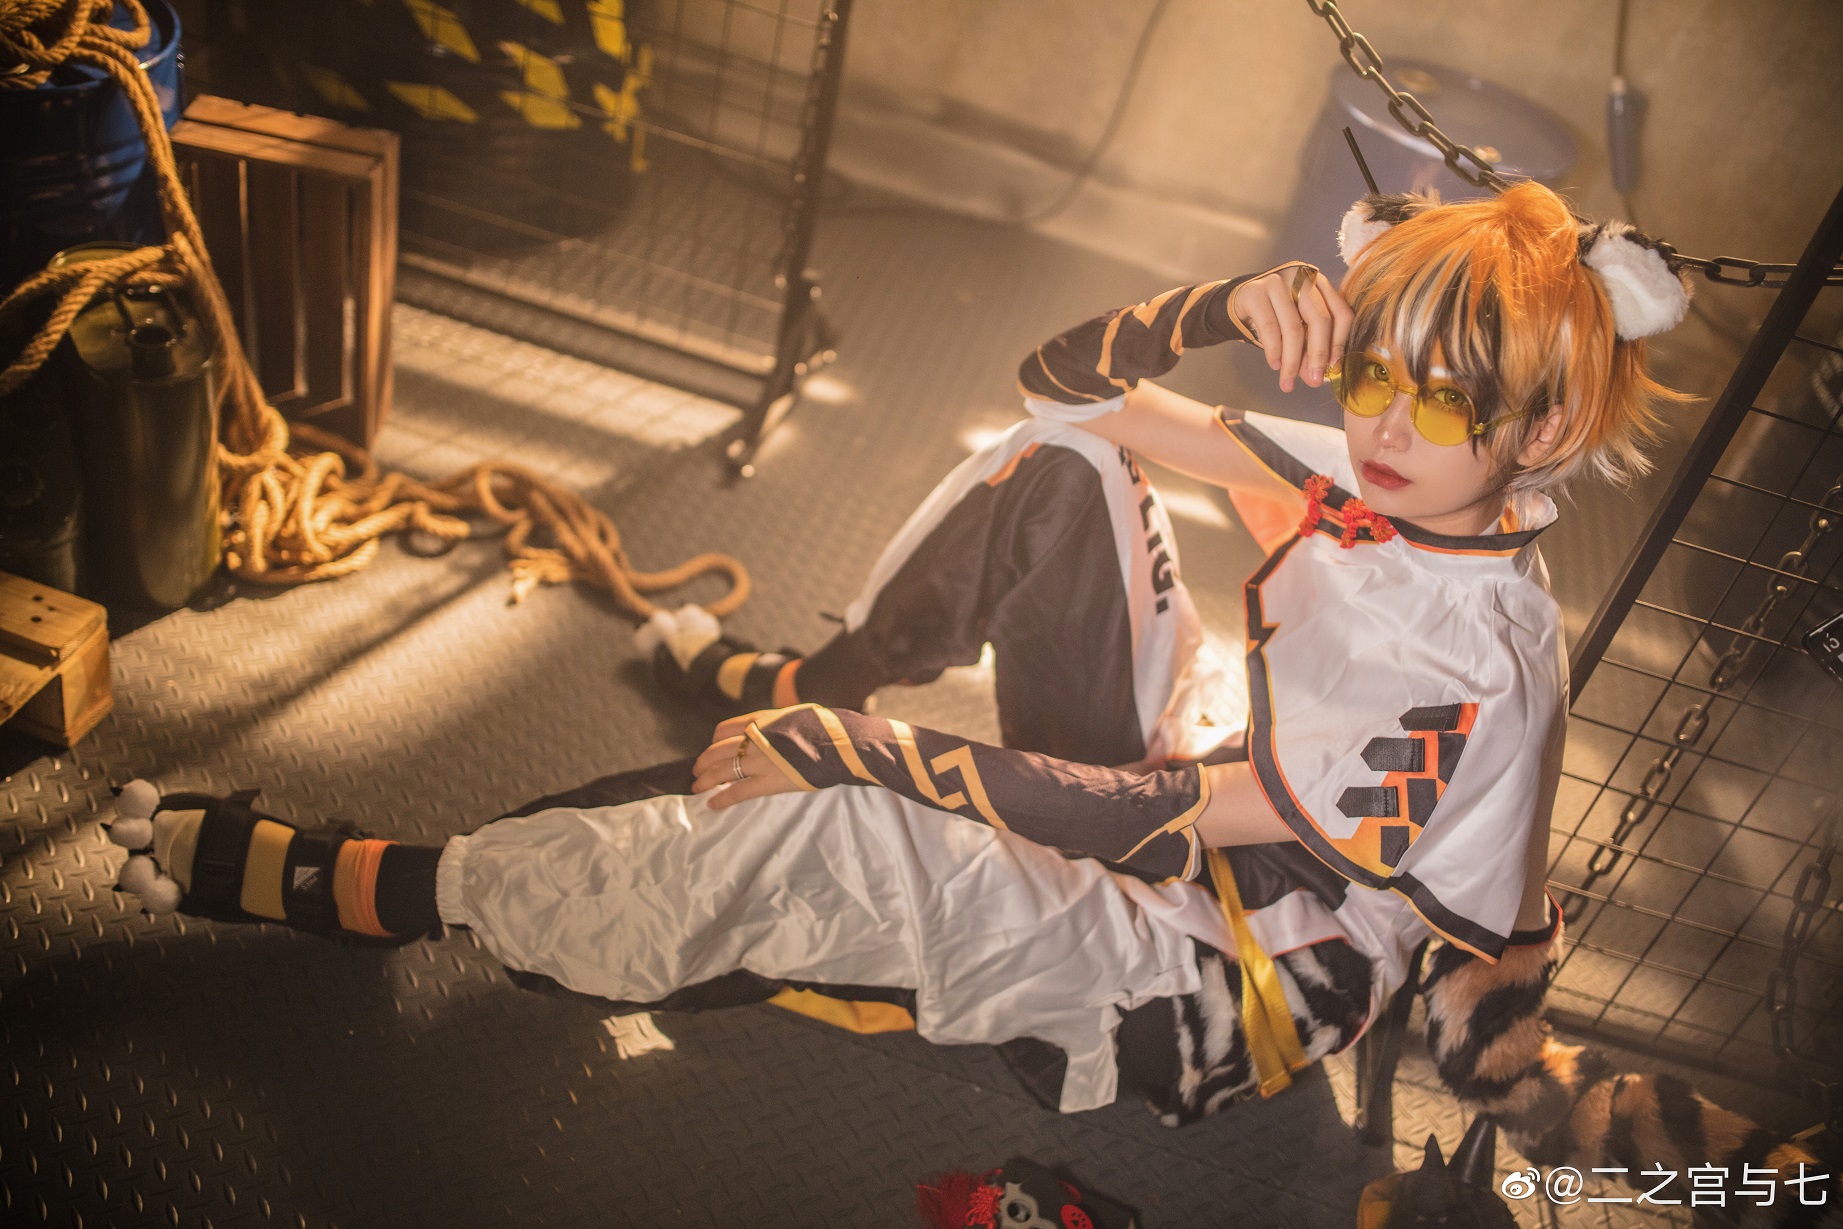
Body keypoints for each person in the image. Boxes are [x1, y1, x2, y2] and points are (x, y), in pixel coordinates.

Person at [110, 182, 1834, 1208]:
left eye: (1443, 399)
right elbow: (1058, 387)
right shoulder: (1403, 481)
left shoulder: (1467, 655)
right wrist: (1218, 307)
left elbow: (1178, 817)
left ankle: (393, 887)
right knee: (1061, 465)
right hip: (1215, 791)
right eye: (1377, 371)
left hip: (1224, 974)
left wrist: (876, 758)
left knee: (836, 835)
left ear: (1541, 429)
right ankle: (808, 669)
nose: (1384, 421)